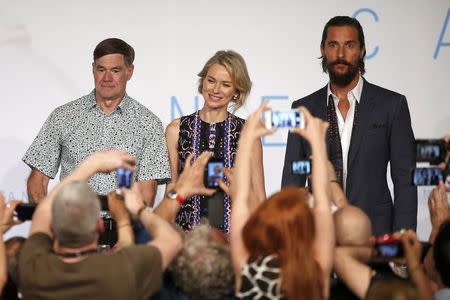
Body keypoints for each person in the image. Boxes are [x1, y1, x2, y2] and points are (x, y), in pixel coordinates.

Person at [281, 16, 417, 236]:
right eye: (333, 45)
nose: (341, 55)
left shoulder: (392, 105)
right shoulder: (303, 109)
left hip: (376, 233)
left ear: (362, 50)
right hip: (317, 234)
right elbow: (293, 180)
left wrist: (403, 241)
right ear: (323, 49)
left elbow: (405, 181)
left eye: (350, 45)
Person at [23, 38, 170, 206]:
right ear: (93, 69)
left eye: (115, 70)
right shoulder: (63, 116)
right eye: (101, 69)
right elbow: (37, 182)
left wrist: (127, 228)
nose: (107, 78)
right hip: (72, 227)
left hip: (122, 228)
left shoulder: (148, 123)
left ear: (129, 72)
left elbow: (146, 193)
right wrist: (48, 222)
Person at [18, 150, 182, 300]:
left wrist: (92, 164)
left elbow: (43, 210)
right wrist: (139, 210)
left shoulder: (33, 267)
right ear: (99, 226)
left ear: (53, 228)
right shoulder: (124, 270)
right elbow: (172, 241)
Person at [231, 103, 334, 299]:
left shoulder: (248, 269)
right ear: (307, 228)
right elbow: (322, 203)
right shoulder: (316, 270)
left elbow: (240, 199)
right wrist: (318, 143)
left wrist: (246, 138)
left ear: (262, 224)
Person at [165, 50, 265, 233]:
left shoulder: (248, 135)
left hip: (235, 239)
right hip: (185, 238)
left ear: (237, 91)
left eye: (226, 84)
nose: (216, 90)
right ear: (203, 81)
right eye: (211, 80)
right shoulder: (175, 130)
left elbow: (259, 197)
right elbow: (171, 188)